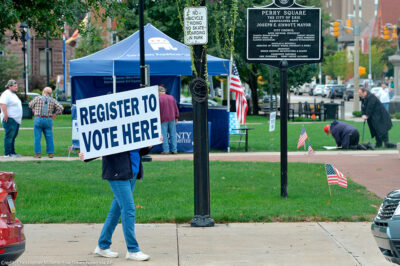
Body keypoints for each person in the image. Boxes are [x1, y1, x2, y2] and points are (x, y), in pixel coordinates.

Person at [79, 147, 152, 261]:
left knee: (116, 210)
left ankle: (102, 245)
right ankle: (133, 250)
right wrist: (88, 155)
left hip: (132, 170)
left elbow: (137, 149)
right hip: (117, 171)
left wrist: (149, 146)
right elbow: (106, 142)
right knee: (128, 209)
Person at [29, 87, 64, 158]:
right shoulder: (53, 100)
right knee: (49, 137)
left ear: (44, 91)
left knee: (37, 137)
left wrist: (35, 108)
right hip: (48, 119)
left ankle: (38, 154)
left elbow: (30, 105)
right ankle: (50, 153)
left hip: (38, 118)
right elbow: (61, 108)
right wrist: (55, 114)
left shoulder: (37, 98)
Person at [0, 79, 22, 158]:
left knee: (13, 137)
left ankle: (12, 152)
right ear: (9, 86)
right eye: (15, 86)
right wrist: (5, 115)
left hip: (15, 119)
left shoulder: (13, 94)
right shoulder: (6, 94)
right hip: (10, 119)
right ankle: (7, 153)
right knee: (9, 136)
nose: (17, 87)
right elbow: (2, 104)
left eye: (17, 86)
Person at [158, 85, 179, 154]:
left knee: (164, 135)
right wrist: (176, 117)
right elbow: (176, 108)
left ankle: (166, 150)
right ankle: (174, 150)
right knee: (173, 134)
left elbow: (157, 111)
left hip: (163, 119)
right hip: (172, 118)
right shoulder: (171, 97)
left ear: (159, 92)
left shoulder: (159, 99)